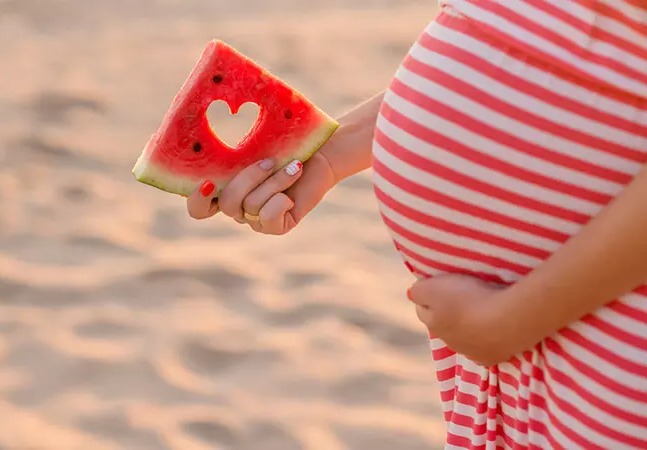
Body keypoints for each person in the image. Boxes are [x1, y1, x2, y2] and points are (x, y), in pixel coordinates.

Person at [185, 1, 647, 448]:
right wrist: (326, 152)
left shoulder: (516, 321)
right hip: (513, 339)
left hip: (598, 318)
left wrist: (515, 319)